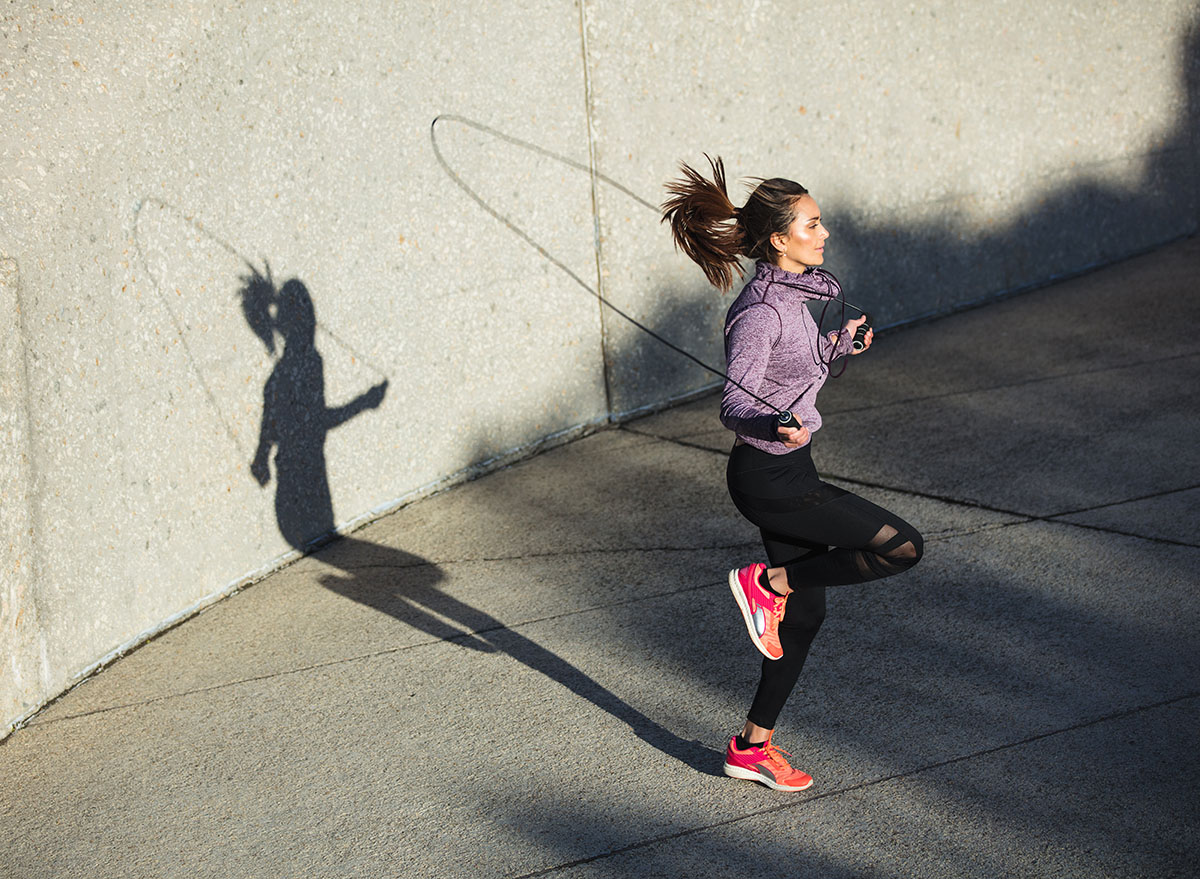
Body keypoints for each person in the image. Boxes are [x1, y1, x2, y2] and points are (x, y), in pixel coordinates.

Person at [662, 156, 923, 792]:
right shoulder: (760, 312)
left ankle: (752, 747)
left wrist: (837, 347)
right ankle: (767, 581)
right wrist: (772, 424)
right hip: (770, 480)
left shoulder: (796, 299)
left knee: (804, 622)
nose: (824, 232)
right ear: (780, 239)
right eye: (812, 223)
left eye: (821, 220)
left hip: (787, 468)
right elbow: (736, 402)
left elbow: (793, 372)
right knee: (902, 546)